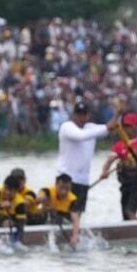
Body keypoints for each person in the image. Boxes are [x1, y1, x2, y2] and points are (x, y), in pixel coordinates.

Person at [55, 101, 110, 240]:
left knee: (77, 214)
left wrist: (117, 116)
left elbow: (109, 128)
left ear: (88, 115)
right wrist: (107, 127)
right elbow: (81, 136)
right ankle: (61, 236)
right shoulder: (67, 127)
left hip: (83, 180)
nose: (81, 117)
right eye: (79, 114)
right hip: (65, 179)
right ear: (74, 115)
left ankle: (73, 236)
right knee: (62, 212)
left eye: (84, 114)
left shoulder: (91, 127)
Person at [0, 169, 42, 240]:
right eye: (6, 189)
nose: (7, 192)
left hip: (22, 216)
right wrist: (0, 205)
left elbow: (21, 225)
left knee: (8, 222)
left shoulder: (24, 198)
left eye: (21, 179)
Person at [41, 172, 80, 243]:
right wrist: (43, 199)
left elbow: (75, 220)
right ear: (56, 184)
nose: (64, 191)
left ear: (71, 187)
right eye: (61, 187)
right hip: (47, 215)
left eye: (67, 188)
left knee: (61, 218)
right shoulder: (47, 191)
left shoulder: (73, 199)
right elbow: (38, 199)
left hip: (62, 218)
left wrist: (75, 236)